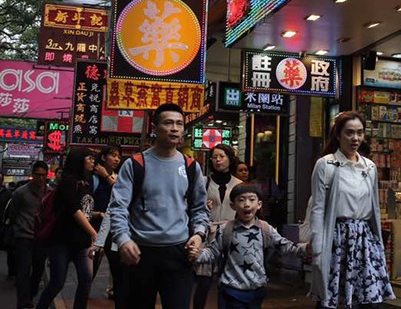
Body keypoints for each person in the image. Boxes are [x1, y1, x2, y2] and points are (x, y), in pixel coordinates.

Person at [109, 103, 210, 309]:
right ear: (155, 128)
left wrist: (199, 235)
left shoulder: (191, 167)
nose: (174, 128)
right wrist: (123, 239)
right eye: (168, 123)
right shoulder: (136, 164)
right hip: (140, 253)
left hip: (178, 253)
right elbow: (118, 207)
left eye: (179, 124)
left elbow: (199, 208)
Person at [310, 111, 395, 308]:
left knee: (368, 300)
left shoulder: (370, 167)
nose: (355, 138)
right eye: (349, 133)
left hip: (365, 241)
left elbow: (374, 207)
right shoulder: (325, 165)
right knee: (330, 299)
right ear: (338, 134)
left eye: (360, 132)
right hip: (336, 240)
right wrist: (317, 249)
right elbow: (318, 208)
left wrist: (378, 245)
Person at [190, 183, 308, 309]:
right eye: (241, 200)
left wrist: (305, 249)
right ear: (233, 206)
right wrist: (197, 255)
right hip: (231, 290)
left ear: (259, 204)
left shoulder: (265, 229)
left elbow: (285, 246)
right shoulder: (226, 229)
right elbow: (212, 252)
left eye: (252, 200)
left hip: (256, 290)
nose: (247, 204)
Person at [36, 148, 97, 309]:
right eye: (89, 158)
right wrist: (93, 233)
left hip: (82, 241)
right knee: (57, 283)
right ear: (79, 160)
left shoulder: (88, 181)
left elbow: (86, 209)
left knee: (86, 280)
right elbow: (74, 210)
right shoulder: (68, 181)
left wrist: (97, 216)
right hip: (62, 240)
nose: (93, 161)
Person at [193, 144, 243, 309]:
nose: (218, 160)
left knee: (227, 280)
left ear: (230, 159)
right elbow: (192, 206)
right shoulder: (204, 181)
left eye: (222, 156)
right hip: (208, 234)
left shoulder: (239, 185)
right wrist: (202, 206)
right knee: (203, 281)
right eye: (214, 157)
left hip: (231, 234)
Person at [9, 161, 49, 309]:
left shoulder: (49, 192)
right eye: (38, 175)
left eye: (44, 175)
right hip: (24, 236)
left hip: (40, 238)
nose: (41, 178)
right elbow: (13, 213)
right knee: (23, 271)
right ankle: (22, 303)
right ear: (32, 175)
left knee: (38, 271)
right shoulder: (20, 193)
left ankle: (30, 297)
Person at [89, 145, 122, 298]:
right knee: (91, 265)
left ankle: (115, 292)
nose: (116, 159)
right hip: (93, 228)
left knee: (116, 264)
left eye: (118, 156)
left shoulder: (118, 177)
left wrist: (107, 177)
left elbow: (121, 196)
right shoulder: (93, 178)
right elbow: (84, 206)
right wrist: (98, 214)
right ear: (103, 157)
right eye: (113, 155)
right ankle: (83, 294)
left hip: (113, 229)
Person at [0, 172, 15, 280]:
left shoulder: (8, 194)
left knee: (9, 251)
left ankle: (11, 272)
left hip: (3, 225)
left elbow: (10, 211)